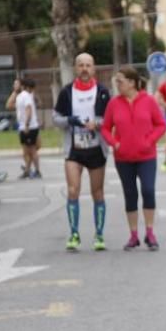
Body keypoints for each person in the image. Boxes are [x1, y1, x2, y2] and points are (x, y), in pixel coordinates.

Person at [101, 67, 166, 251]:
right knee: (130, 195)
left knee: (148, 190)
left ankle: (150, 233)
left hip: (146, 156)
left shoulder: (149, 101)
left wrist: (149, 140)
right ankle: (133, 235)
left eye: (120, 81)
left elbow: (161, 125)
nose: (117, 85)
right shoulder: (114, 103)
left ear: (131, 82)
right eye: (116, 81)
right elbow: (105, 128)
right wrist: (115, 143)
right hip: (123, 158)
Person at [54, 52, 112, 252]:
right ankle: (74, 233)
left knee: (97, 193)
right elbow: (56, 117)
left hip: (96, 149)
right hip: (74, 149)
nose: (85, 69)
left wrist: (97, 124)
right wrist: (69, 121)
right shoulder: (67, 92)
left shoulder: (103, 92)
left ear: (93, 68)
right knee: (72, 190)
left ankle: (99, 234)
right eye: (81, 65)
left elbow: (110, 119)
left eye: (88, 65)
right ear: (75, 68)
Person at [8, 78, 41, 179]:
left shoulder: (26, 96)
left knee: (32, 150)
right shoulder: (20, 96)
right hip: (23, 126)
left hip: (29, 127)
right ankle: (27, 170)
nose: (15, 86)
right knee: (26, 151)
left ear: (22, 86)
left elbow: (28, 109)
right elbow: (9, 106)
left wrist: (26, 124)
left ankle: (37, 171)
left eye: (17, 84)